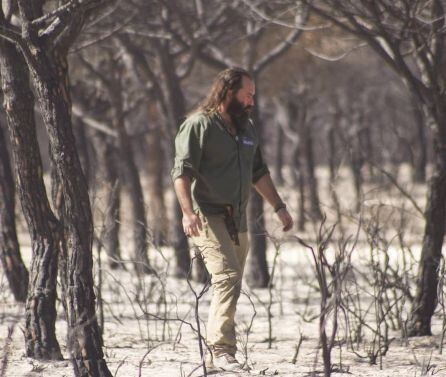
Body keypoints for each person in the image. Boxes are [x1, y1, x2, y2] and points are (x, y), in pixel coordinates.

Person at [171, 67, 293, 371]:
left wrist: (279, 207)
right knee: (226, 277)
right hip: (205, 214)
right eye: (247, 93)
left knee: (230, 282)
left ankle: (213, 360)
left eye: (253, 94)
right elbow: (181, 173)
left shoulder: (247, 128)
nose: (252, 100)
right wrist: (187, 213)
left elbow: (258, 173)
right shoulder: (198, 125)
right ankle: (222, 350)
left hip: (236, 219)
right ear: (228, 91)